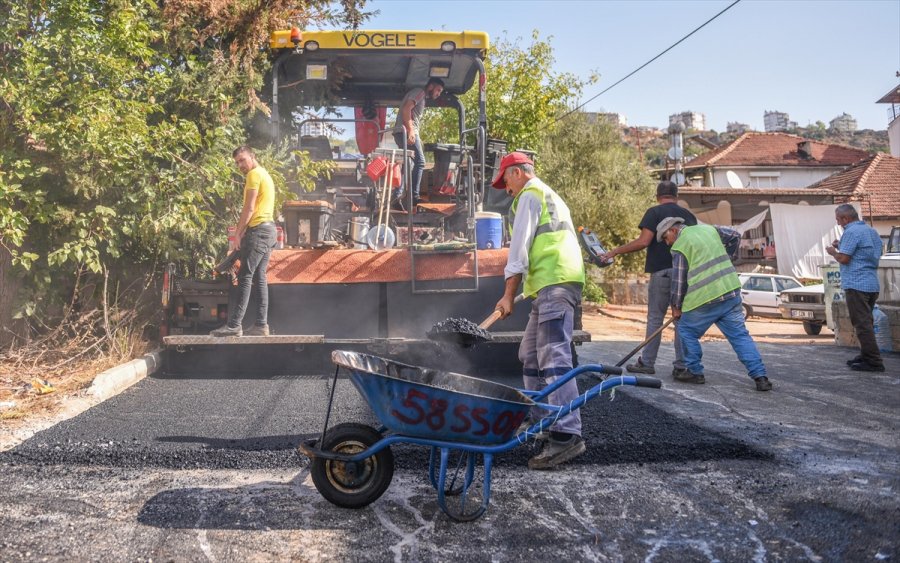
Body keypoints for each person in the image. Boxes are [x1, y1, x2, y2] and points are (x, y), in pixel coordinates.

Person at [492, 152, 587, 470]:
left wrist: (507, 295)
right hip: (550, 283)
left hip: (556, 283)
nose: (506, 189)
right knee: (530, 355)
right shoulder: (548, 195)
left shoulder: (530, 196)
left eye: (506, 180)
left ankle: (567, 433)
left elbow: (517, 251)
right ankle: (542, 421)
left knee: (553, 355)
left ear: (517, 173)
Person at [658, 217, 772, 392]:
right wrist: (729, 257)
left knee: (686, 330)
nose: (667, 243)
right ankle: (760, 377)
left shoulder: (680, 246)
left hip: (704, 299)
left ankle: (695, 372)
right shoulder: (709, 230)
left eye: (665, 238)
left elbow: (679, 282)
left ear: (673, 231)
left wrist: (676, 306)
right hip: (730, 292)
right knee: (740, 336)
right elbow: (734, 235)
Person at [598, 181, 696, 377]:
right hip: (685, 273)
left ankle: (647, 363)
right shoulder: (689, 216)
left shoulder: (654, 212)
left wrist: (614, 252)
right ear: (676, 196)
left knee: (655, 319)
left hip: (661, 272)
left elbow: (643, 241)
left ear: (658, 196)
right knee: (681, 320)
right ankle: (682, 366)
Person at [211, 146, 276, 337]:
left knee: (245, 276)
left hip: (259, 231)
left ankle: (234, 326)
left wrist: (237, 234)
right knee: (259, 277)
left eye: (242, 160)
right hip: (269, 230)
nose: (240, 165)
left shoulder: (254, 175)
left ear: (252, 157)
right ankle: (261, 326)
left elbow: (249, 208)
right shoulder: (265, 174)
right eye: (237, 162)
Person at [825, 204, 885, 372]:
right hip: (871, 283)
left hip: (856, 283)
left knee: (862, 324)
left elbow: (844, 259)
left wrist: (832, 251)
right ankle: (866, 355)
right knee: (866, 322)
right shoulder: (870, 231)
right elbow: (865, 253)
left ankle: (873, 361)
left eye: (838, 219)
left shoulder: (850, 232)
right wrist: (841, 246)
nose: (838, 223)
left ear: (846, 218)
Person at [392, 77, 444, 210]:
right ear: (431, 86)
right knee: (420, 162)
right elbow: (406, 110)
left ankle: (397, 196)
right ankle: (413, 197)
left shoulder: (422, 97)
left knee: (409, 163)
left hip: (403, 132)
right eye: (438, 90)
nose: (438, 94)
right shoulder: (419, 92)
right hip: (404, 132)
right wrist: (410, 132)